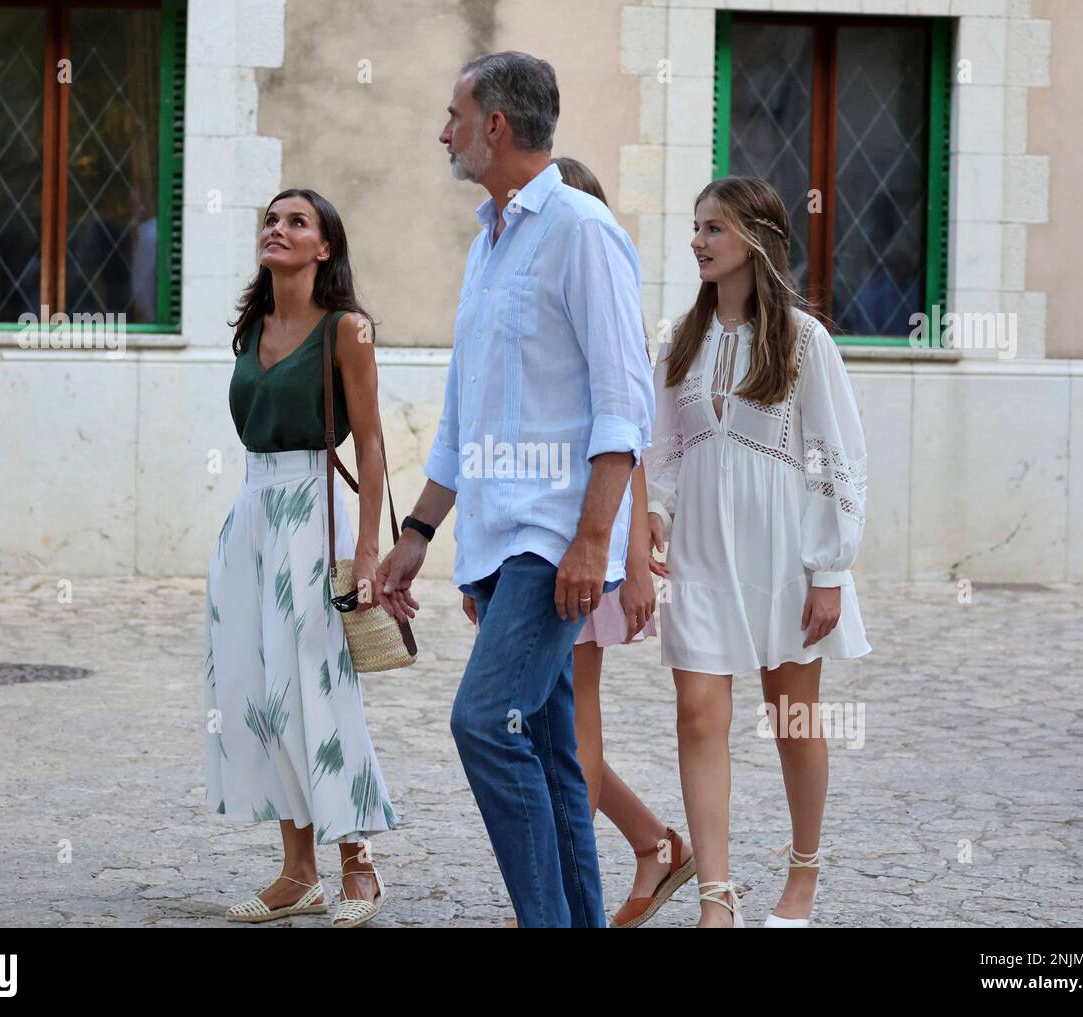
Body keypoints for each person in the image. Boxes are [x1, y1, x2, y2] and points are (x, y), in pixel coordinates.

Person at [376, 53, 654, 928]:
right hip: (500, 539)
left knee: (482, 722)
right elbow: (465, 405)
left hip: (555, 539)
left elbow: (623, 402)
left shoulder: (581, 228)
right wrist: (423, 531)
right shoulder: (487, 239)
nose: (443, 131)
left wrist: (592, 542)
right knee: (546, 745)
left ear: (495, 124)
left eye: (453, 114)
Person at [464, 155, 697, 929]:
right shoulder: (510, 265)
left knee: (540, 723)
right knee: (557, 730)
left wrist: (626, 557)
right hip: (540, 536)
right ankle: (638, 853)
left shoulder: (589, 262)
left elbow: (622, 437)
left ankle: (568, 898)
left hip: (579, 542)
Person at [644, 176, 871, 928]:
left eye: (713, 228)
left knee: (792, 719)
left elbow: (835, 456)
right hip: (700, 555)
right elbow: (665, 449)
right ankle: (716, 895)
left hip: (785, 554)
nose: (697, 241)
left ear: (756, 240)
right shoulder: (681, 338)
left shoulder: (806, 341)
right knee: (698, 715)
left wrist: (830, 568)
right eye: (696, 225)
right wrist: (654, 510)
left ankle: (802, 876)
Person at [204, 188, 396, 928]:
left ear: (324, 247)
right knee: (255, 690)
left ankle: (359, 866)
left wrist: (369, 548)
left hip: (313, 509)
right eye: (271, 220)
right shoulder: (253, 324)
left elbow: (372, 442)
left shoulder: (349, 328)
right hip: (251, 511)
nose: (277, 229)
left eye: (297, 221)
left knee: (315, 688)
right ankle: (297, 870)